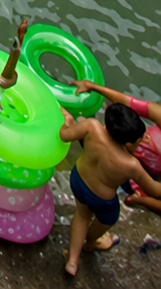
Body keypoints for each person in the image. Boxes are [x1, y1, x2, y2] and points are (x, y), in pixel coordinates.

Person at [60, 103, 161, 275]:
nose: (139, 146)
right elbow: (155, 191)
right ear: (126, 142)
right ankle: (91, 243)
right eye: (137, 144)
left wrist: (68, 122)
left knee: (82, 214)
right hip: (102, 201)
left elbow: (64, 136)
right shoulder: (131, 165)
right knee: (104, 222)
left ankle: (72, 262)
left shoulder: (92, 127)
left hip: (79, 180)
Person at [70, 79, 161, 209]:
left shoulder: (133, 166)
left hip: (143, 170)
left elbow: (156, 191)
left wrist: (142, 200)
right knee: (95, 135)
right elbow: (130, 103)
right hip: (132, 141)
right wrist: (92, 86)